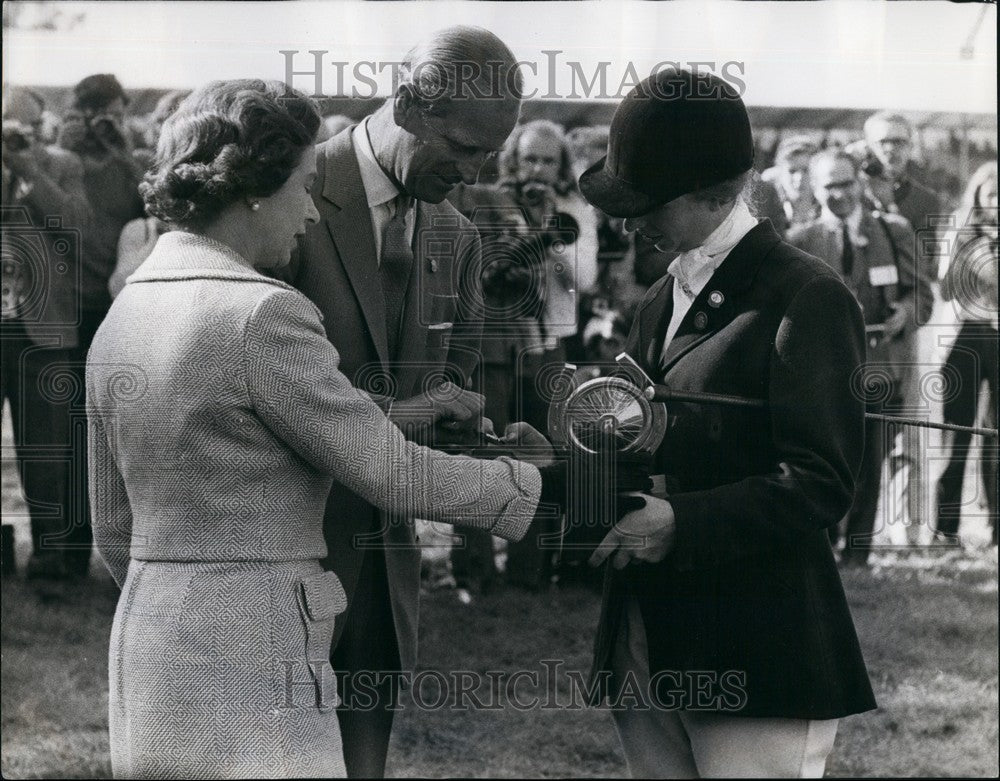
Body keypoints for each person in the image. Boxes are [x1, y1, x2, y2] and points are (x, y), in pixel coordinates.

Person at [86, 79, 558, 780]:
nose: (310, 209)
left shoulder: (129, 310)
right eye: (304, 185)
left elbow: (113, 529)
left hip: (151, 647)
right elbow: (391, 471)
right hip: (259, 648)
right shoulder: (263, 313)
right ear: (253, 185)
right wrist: (540, 484)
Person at [578, 68, 876, 777]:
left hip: (756, 643)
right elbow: (649, 434)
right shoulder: (664, 291)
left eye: (644, 202)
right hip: (649, 631)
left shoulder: (805, 294)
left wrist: (681, 521)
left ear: (711, 192)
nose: (627, 222)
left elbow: (822, 480)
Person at [282, 26, 525, 777]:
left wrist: (485, 437)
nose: (476, 170)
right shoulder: (287, 193)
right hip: (283, 552)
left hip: (386, 562)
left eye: (491, 154)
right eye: (465, 146)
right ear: (414, 104)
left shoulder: (458, 234)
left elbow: (450, 392)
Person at [788, 149, 933, 565]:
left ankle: (858, 551)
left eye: (846, 183)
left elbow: (922, 292)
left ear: (860, 184)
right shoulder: (801, 241)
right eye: (829, 186)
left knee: (871, 461)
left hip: (880, 368)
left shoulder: (894, 231)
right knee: (825, 459)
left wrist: (903, 313)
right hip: (824, 375)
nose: (840, 194)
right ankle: (825, 543)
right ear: (815, 191)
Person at [2, 87, 92, 581]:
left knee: (46, 454)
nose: (18, 136)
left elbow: (76, 223)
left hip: (44, 327)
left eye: (26, 127)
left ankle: (50, 561)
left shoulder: (61, 164)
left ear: (42, 126)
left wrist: (29, 173)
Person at [935, 161, 998, 545]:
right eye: (992, 195)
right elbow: (944, 290)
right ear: (977, 196)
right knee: (956, 436)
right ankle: (946, 530)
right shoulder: (960, 231)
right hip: (965, 338)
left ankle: (996, 528)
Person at [760, 135, 819, 234]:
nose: (799, 178)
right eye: (792, 171)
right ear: (780, 173)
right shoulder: (771, 213)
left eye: (806, 170)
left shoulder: (827, 207)